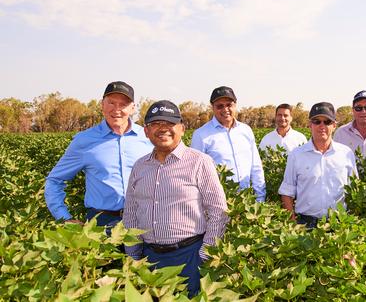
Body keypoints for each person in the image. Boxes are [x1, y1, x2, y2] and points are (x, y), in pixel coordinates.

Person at [123, 100, 229, 297]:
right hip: (149, 258)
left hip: (189, 256)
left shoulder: (199, 162)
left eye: (169, 124)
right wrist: (133, 256)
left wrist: (204, 255)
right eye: (155, 124)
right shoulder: (139, 166)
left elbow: (218, 211)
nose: (163, 129)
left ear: (181, 128)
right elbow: (131, 213)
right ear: (146, 131)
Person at [44, 81, 152, 226]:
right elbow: (54, 180)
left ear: (132, 108)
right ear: (102, 105)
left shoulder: (149, 137)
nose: (117, 109)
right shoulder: (84, 140)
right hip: (102, 223)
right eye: (111, 103)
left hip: (145, 219)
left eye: (123, 104)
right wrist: (64, 218)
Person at [279, 102, 357, 228]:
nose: (322, 126)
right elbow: (287, 192)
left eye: (327, 122)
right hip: (305, 225)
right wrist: (292, 221)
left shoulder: (346, 154)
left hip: (338, 224)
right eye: (317, 121)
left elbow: (355, 191)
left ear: (334, 125)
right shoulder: (296, 155)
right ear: (309, 124)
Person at [191, 86, 265, 201]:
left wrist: (260, 197)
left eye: (229, 105)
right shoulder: (201, 135)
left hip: (248, 199)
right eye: (220, 106)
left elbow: (256, 167)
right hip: (217, 202)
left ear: (235, 105)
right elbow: (195, 174)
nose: (225, 109)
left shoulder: (246, 130)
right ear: (212, 108)